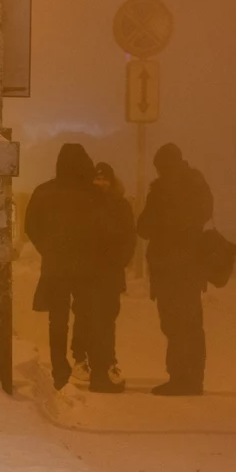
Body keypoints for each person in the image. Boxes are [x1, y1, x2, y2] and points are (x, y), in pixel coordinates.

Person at [137, 143, 213, 396]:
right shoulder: (198, 183)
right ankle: (194, 378)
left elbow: (143, 227)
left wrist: (162, 224)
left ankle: (180, 378)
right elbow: (205, 213)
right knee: (191, 322)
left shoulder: (160, 191)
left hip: (168, 267)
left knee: (173, 323)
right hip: (192, 266)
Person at [24, 143, 97, 391]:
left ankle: (59, 365)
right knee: (85, 312)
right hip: (86, 265)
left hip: (55, 264)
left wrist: (47, 247)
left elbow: (31, 225)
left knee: (58, 319)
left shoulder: (45, 191)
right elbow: (103, 226)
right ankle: (80, 356)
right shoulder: (92, 193)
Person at [81, 162, 136, 393]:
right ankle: (101, 374)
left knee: (101, 324)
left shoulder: (90, 204)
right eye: (97, 179)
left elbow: (129, 240)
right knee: (101, 324)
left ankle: (100, 371)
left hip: (103, 274)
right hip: (100, 275)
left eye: (104, 179)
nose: (100, 183)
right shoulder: (116, 205)